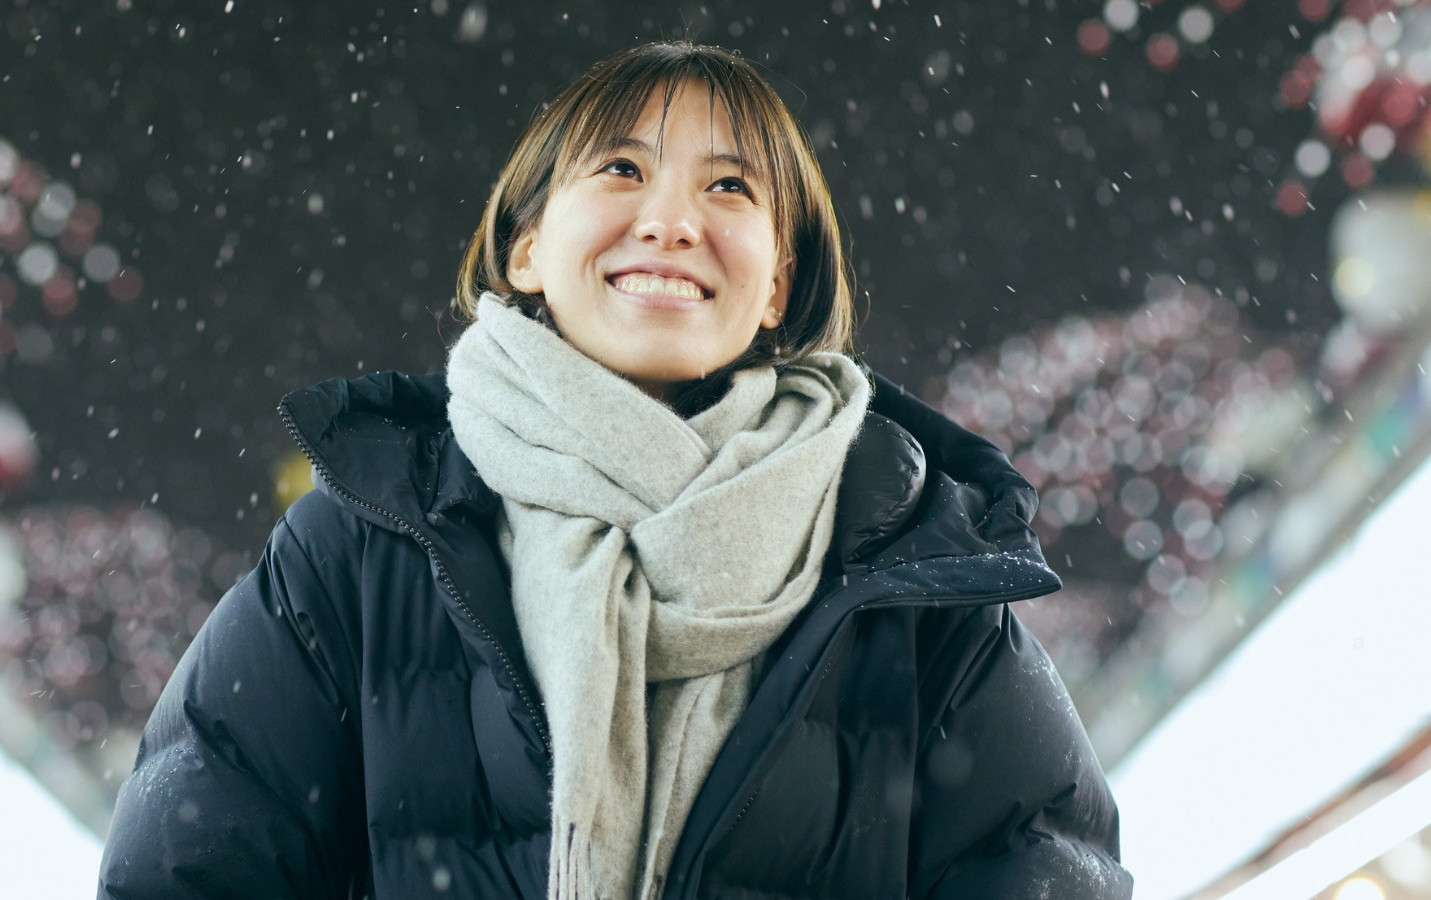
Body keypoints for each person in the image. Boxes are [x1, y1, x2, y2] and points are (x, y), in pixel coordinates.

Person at [99, 41, 1130, 900]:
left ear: (776, 283)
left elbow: (1039, 862)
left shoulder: (912, 569)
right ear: (524, 249)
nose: (672, 220)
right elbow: (190, 861)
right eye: (621, 170)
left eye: (728, 186)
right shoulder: (360, 545)